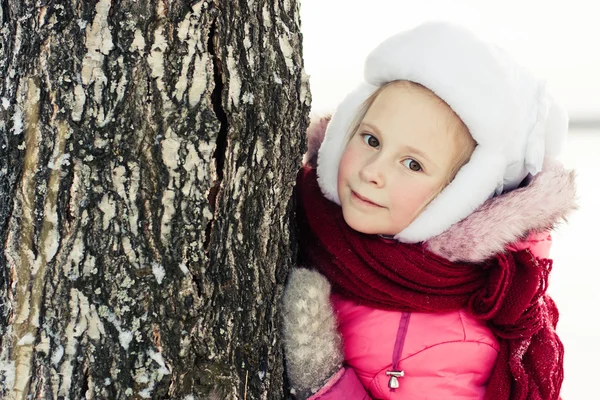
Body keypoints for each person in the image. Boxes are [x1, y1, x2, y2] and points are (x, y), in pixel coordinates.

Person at [282, 21, 577, 400]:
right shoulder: (316, 217)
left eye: (412, 164)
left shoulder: (452, 338)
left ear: (461, 196)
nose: (372, 172)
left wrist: (322, 377)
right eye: (370, 139)